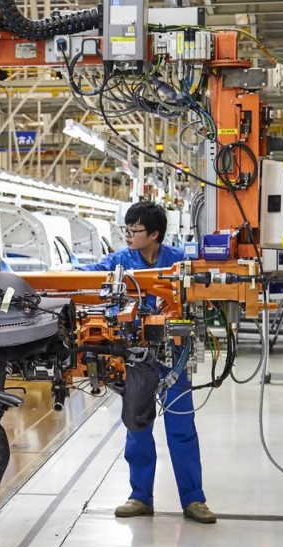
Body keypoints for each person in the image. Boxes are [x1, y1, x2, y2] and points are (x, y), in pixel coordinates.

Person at [78, 201, 215, 524]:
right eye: (125, 228)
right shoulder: (120, 261)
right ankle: (140, 495)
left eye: (134, 230)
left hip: (174, 355)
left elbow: (204, 297)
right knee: (137, 425)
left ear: (154, 234)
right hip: (135, 357)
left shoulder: (179, 261)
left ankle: (194, 499)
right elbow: (85, 276)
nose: (127, 235)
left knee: (181, 427)